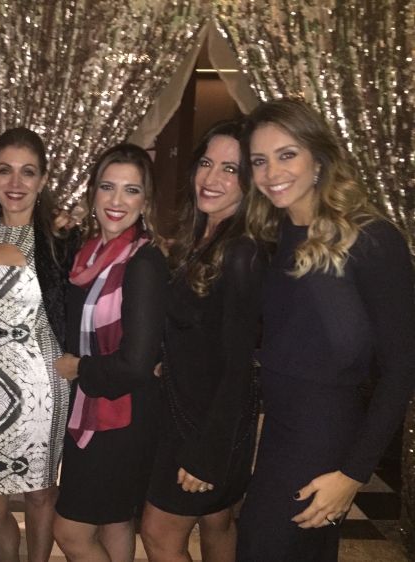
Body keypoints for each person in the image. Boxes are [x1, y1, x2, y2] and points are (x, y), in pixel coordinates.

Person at [235, 99, 415, 561]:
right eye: (259, 160)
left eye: (287, 154)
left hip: (323, 433)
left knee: (265, 546)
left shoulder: (371, 238)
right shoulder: (276, 234)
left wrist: (354, 474)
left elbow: (401, 369)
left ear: (318, 158)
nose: (272, 172)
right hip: (278, 426)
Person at [140, 121, 267, 562]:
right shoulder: (203, 237)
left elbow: (238, 365)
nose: (211, 178)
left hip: (208, 424)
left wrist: (209, 453)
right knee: (218, 523)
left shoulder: (241, 253)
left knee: (158, 535)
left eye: (230, 169)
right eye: (207, 163)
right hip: (191, 409)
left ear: (251, 182)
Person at [0, 127, 80, 562]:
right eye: (5, 171)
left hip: (43, 382)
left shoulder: (61, 237)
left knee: (39, 494)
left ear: (43, 179)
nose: (15, 183)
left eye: (27, 172)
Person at [51, 143, 167, 562]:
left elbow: (136, 364)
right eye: (107, 187)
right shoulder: (90, 253)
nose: (117, 200)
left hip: (122, 416)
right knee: (115, 520)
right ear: (92, 194)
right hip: (95, 404)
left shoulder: (144, 261)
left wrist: (79, 368)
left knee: (70, 532)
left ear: (145, 201)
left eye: (131, 190)